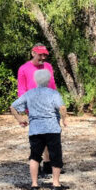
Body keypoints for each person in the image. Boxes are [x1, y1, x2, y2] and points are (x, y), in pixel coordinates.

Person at [10, 69, 68, 190]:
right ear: (48, 80)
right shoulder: (53, 93)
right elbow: (62, 107)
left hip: (35, 129)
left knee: (35, 156)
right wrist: (64, 119)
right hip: (52, 128)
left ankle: (35, 184)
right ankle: (56, 184)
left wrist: (20, 118)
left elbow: (13, 106)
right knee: (55, 155)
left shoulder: (29, 94)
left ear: (36, 80)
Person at [17, 43, 58, 175]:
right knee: (38, 137)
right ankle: (36, 165)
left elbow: (52, 84)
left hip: (50, 107)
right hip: (34, 108)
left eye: (45, 55)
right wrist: (23, 110)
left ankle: (48, 163)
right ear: (33, 53)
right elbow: (22, 90)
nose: (43, 57)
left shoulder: (48, 66)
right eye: (40, 54)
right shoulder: (24, 69)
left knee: (51, 136)